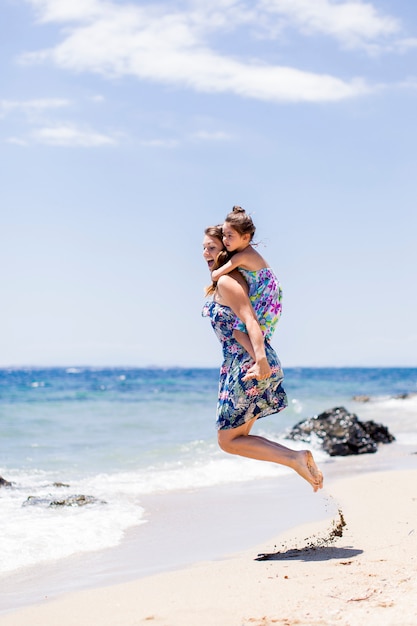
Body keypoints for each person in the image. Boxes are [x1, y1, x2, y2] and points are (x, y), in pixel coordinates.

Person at [202, 225, 323, 492]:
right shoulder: (228, 279)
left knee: (229, 441)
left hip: (250, 364)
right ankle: (296, 459)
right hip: (243, 363)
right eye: (203, 248)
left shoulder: (228, 281)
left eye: (211, 247)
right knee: (234, 438)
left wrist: (260, 361)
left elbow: (250, 321)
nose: (205, 253)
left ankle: (296, 459)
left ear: (226, 249)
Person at [211, 206, 282, 350]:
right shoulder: (244, 252)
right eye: (223, 235)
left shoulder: (242, 256)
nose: (225, 240)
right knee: (246, 332)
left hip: (266, 292)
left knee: (240, 332)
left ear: (245, 237)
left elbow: (216, 275)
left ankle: (260, 362)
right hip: (267, 291)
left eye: (230, 236)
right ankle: (259, 361)